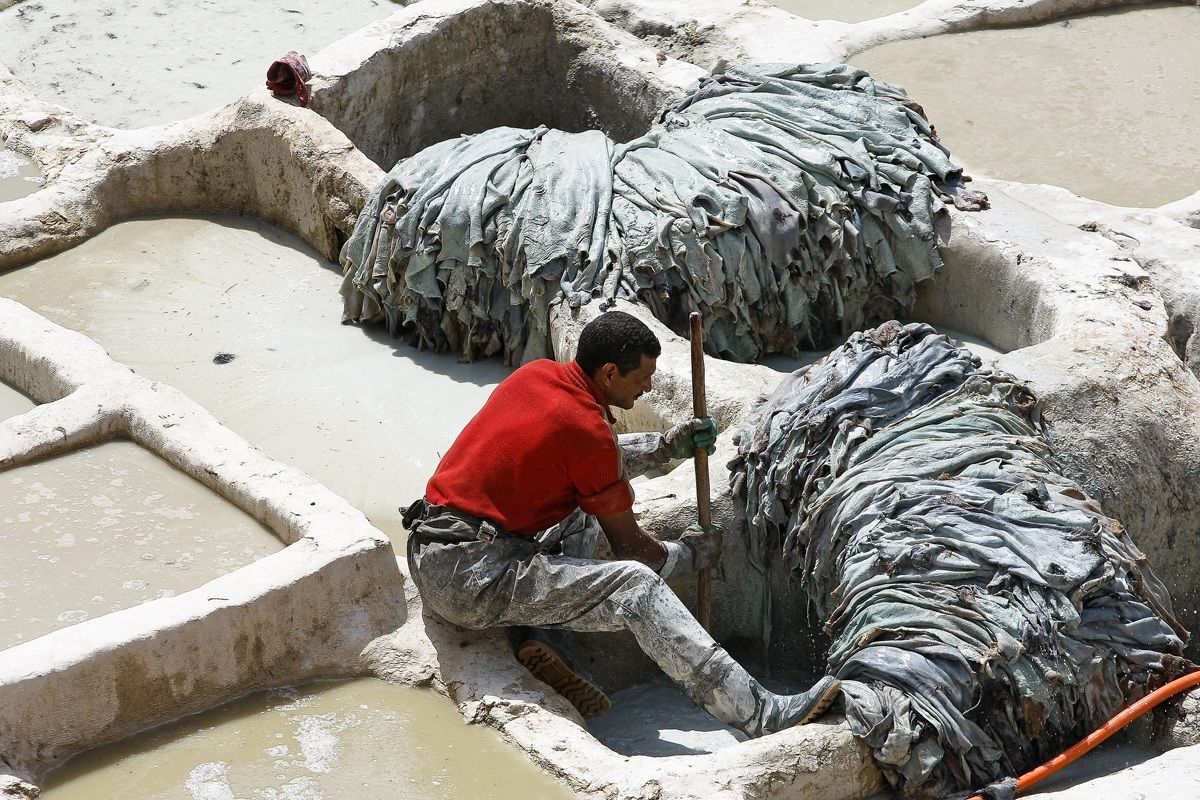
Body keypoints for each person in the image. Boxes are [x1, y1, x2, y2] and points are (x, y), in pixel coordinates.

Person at [403, 310, 840, 737]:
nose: (648, 388)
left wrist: (667, 446)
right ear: (609, 373)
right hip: (471, 577)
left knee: (581, 515)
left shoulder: (538, 376)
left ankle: (542, 637)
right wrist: (687, 555)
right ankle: (758, 712)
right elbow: (632, 548)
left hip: (436, 546)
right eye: (641, 378)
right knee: (635, 585)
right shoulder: (586, 430)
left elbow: (592, 461)